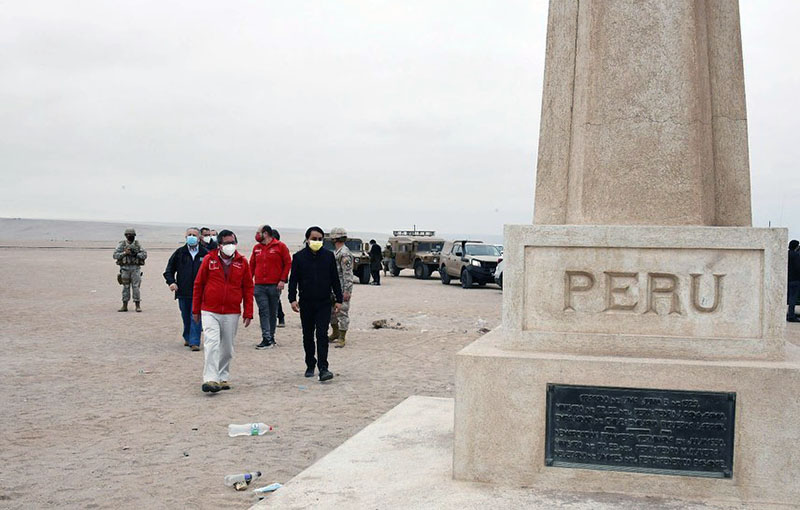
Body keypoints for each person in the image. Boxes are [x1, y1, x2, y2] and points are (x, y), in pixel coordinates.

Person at [192, 230, 254, 393]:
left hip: (231, 311)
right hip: (210, 310)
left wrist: (248, 312)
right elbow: (199, 284)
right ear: (219, 245)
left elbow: (248, 287)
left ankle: (222, 376)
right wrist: (195, 309)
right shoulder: (209, 260)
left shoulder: (242, 262)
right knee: (211, 343)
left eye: (232, 242)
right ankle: (211, 379)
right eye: (226, 243)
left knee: (227, 348)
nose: (230, 246)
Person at [288, 226, 342, 381]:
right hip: (306, 303)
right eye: (314, 239)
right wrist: (292, 299)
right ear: (307, 239)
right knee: (308, 335)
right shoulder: (299, 257)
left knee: (322, 335)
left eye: (319, 239)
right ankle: (310, 364)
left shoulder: (328, 256)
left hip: (324, 302)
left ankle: (323, 367)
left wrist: (339, 299)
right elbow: (293, 280)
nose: (317, 241)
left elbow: (335, 279)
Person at [163, 227, 208, 350]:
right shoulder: (179, 253)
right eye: (189, 235)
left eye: (194, 235)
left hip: (199, 292)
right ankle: (187, 337)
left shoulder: (205, 254)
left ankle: (194, 342)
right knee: (186, 316)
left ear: (199, 238)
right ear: (185, 237)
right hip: (183, 291)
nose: (191, 237)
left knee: (196, 316)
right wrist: (171, 282)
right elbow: (169, 270)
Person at [251, 224, 292, 349]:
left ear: (266, 233)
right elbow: (251, 265)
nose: (257, 235)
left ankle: (271, 336)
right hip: (259, 285)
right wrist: (248, 280)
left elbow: (287, 263)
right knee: (263, 311)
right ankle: (266, 337)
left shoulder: (280, 246)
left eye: (258, 232)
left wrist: (282, 280)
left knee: (272, 311)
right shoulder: (256, 248)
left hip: (274, 285)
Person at [328, 227, 354, 348]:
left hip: (342, 287)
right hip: (334, 287)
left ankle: (342, 337)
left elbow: (347, 274)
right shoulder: (337, 252)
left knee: (342, 312)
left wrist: (347, 291)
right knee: (332, 312)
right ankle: (335, 333)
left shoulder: (344, 253)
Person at [113, 227, 147, 312]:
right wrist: (125, 253)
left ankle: (137, 305)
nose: (130, 236)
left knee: (136, 287)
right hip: (125, 268)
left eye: (132, 235)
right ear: (125, 235)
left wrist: (136, 254)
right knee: (126, 287)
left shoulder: (137, 245)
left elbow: (144, 255)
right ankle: (124, 305)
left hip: (135, 268)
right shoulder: (122, 245)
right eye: (129, 235)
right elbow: (115, 255)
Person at [272, 229, 286, 328]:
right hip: (267, 279)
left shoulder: (281, 248)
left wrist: (283, 279)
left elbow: (286, 264)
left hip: (278, 279)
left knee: (275, 300)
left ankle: (281, 317)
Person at [788, 239, 800, 323]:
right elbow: (797, 267)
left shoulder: (787, 254)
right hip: (795, 279)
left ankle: (790, 314)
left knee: (790, 298)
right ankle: (791, 316)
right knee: (793, 298)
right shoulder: (796, 255)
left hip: (788, 279)